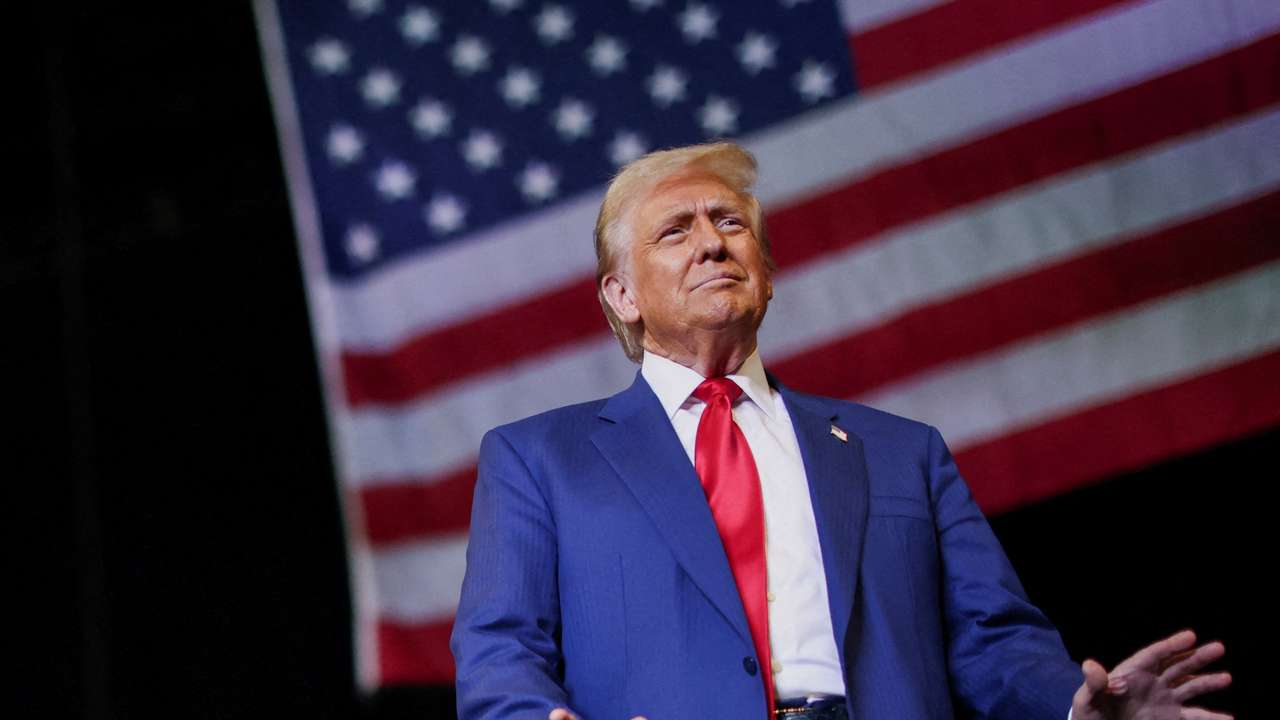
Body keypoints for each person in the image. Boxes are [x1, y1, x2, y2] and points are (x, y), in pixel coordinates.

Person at [450, 142, 1231, 720]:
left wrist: (1074, 707)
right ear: (621, 295)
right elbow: (499, 656)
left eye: (729, 223)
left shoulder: (904, 452)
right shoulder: (538, 459)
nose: (713, 242)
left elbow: (993, 638)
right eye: (675, 232)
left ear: (765, 268)